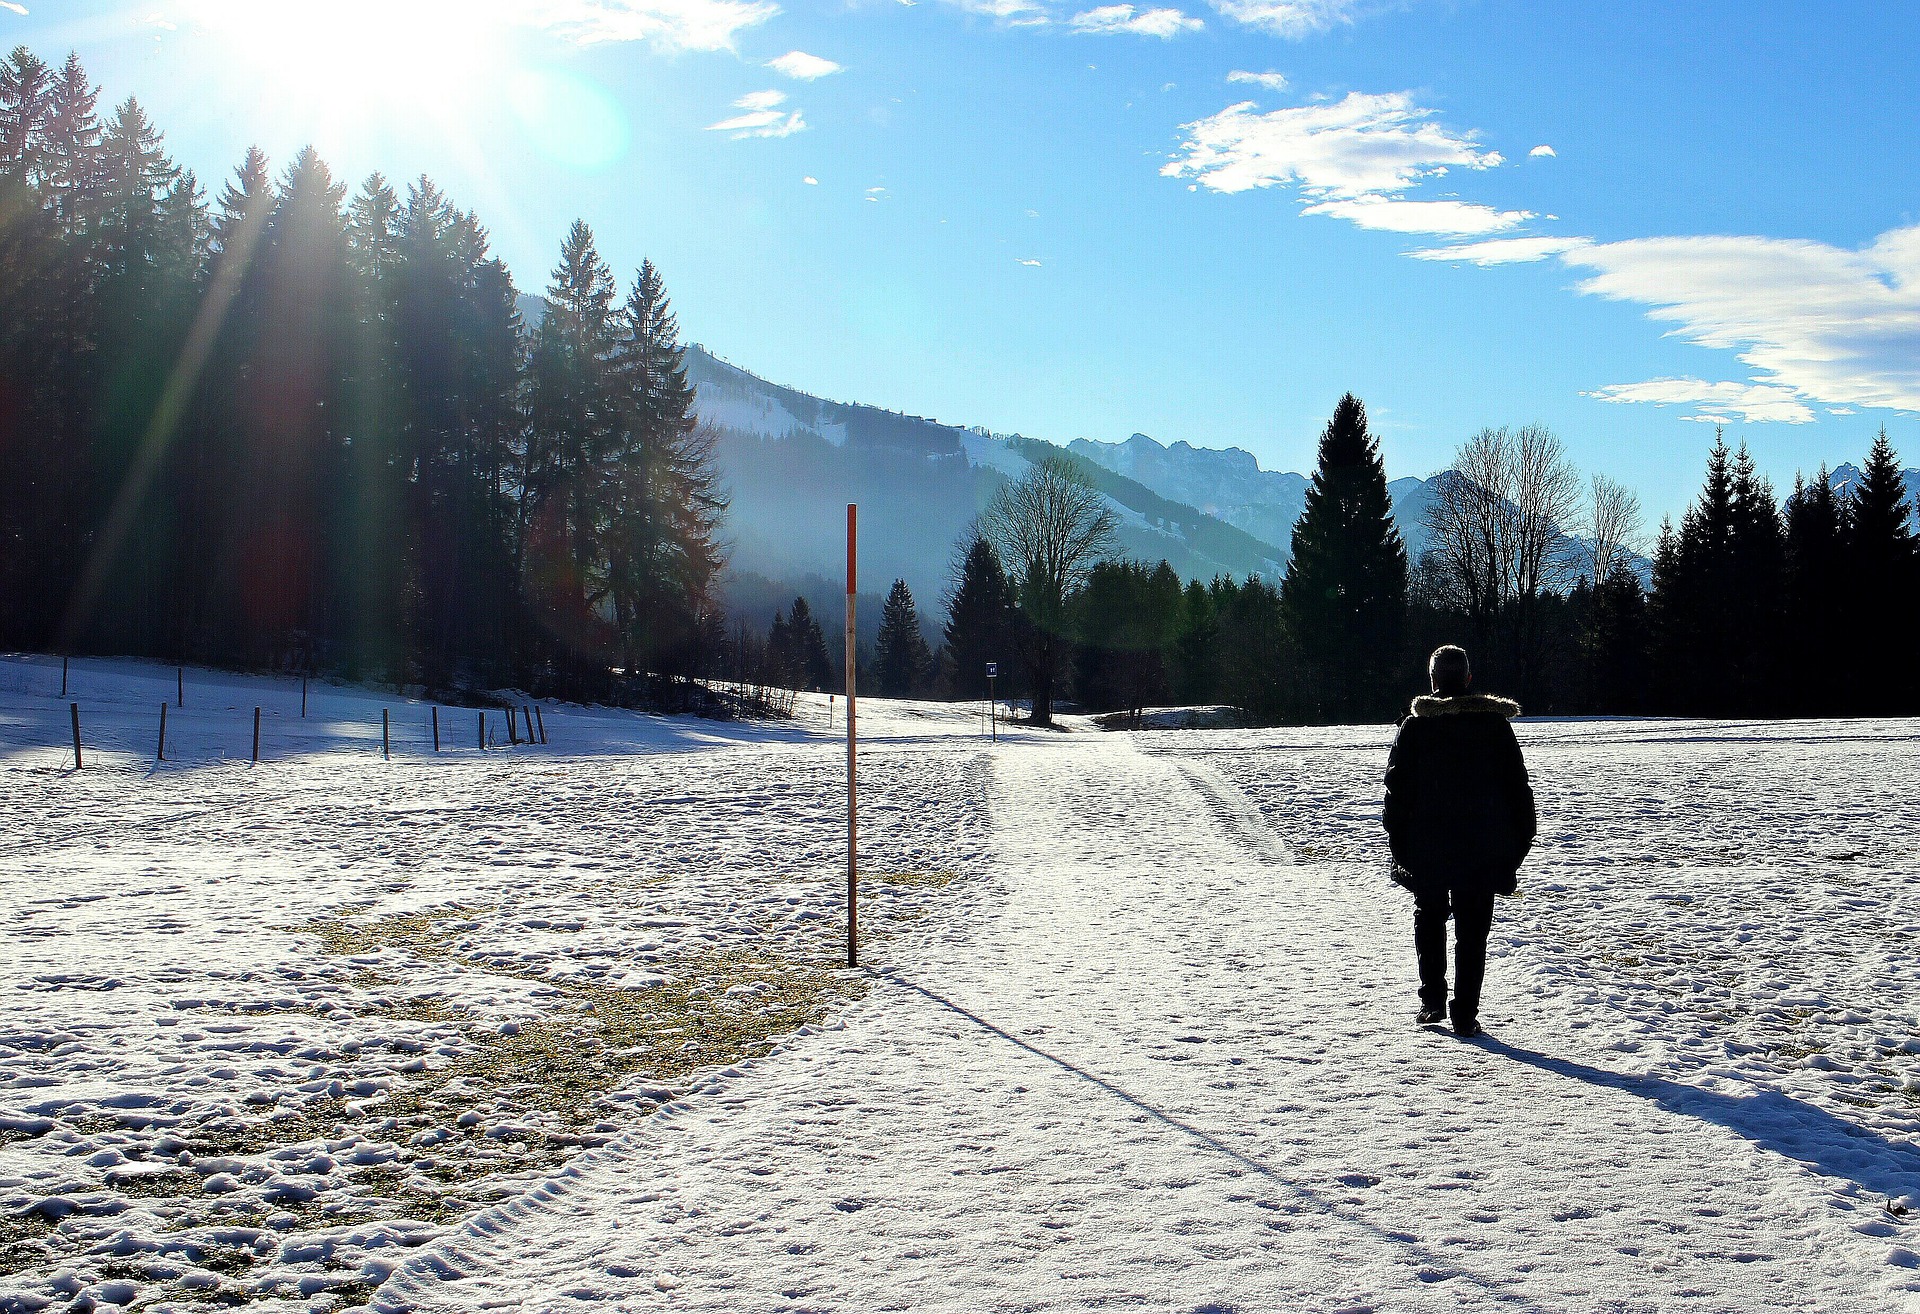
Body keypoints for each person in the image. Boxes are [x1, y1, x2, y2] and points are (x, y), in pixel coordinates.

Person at [1382, 645, 1536, 1038]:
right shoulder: (1495, 726)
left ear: (1432, 680)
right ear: (1468, 679)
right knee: (1473, 930)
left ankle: (1432, 1000)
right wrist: (1517, 847)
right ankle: (1465, 1012)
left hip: (1428, 846)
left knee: (1429, 917)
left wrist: (1400, 846)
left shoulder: (1415, 727)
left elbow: (1396, 792)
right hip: (1481, 847)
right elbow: (1518, 790)